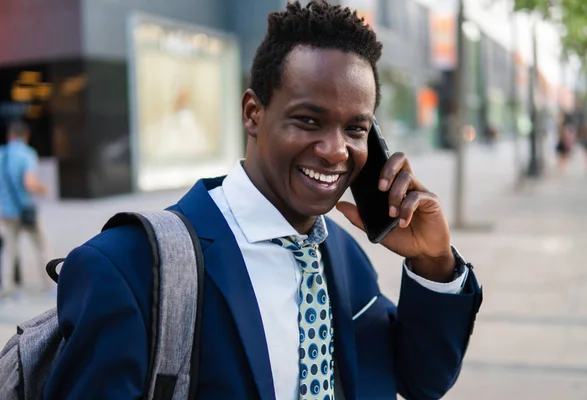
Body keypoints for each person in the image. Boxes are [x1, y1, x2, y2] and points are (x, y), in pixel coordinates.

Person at [44, 2, 482, 399]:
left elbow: (422, 380)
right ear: (253, 114)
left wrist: (433, 263)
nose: (335, 150)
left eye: (355, 129)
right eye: (309, 120)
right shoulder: (126, 267)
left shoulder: (343, 256)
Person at [0, 120, 48, 297]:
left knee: (9, 249)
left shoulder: (2, 154)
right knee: (41, 245)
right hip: (26, 209)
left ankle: (7, 287)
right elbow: (30, 183)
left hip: (7, 211)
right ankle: (49, 284)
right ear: (26, 136)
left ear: (10, 135)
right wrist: (43, 188)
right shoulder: (27, 154)